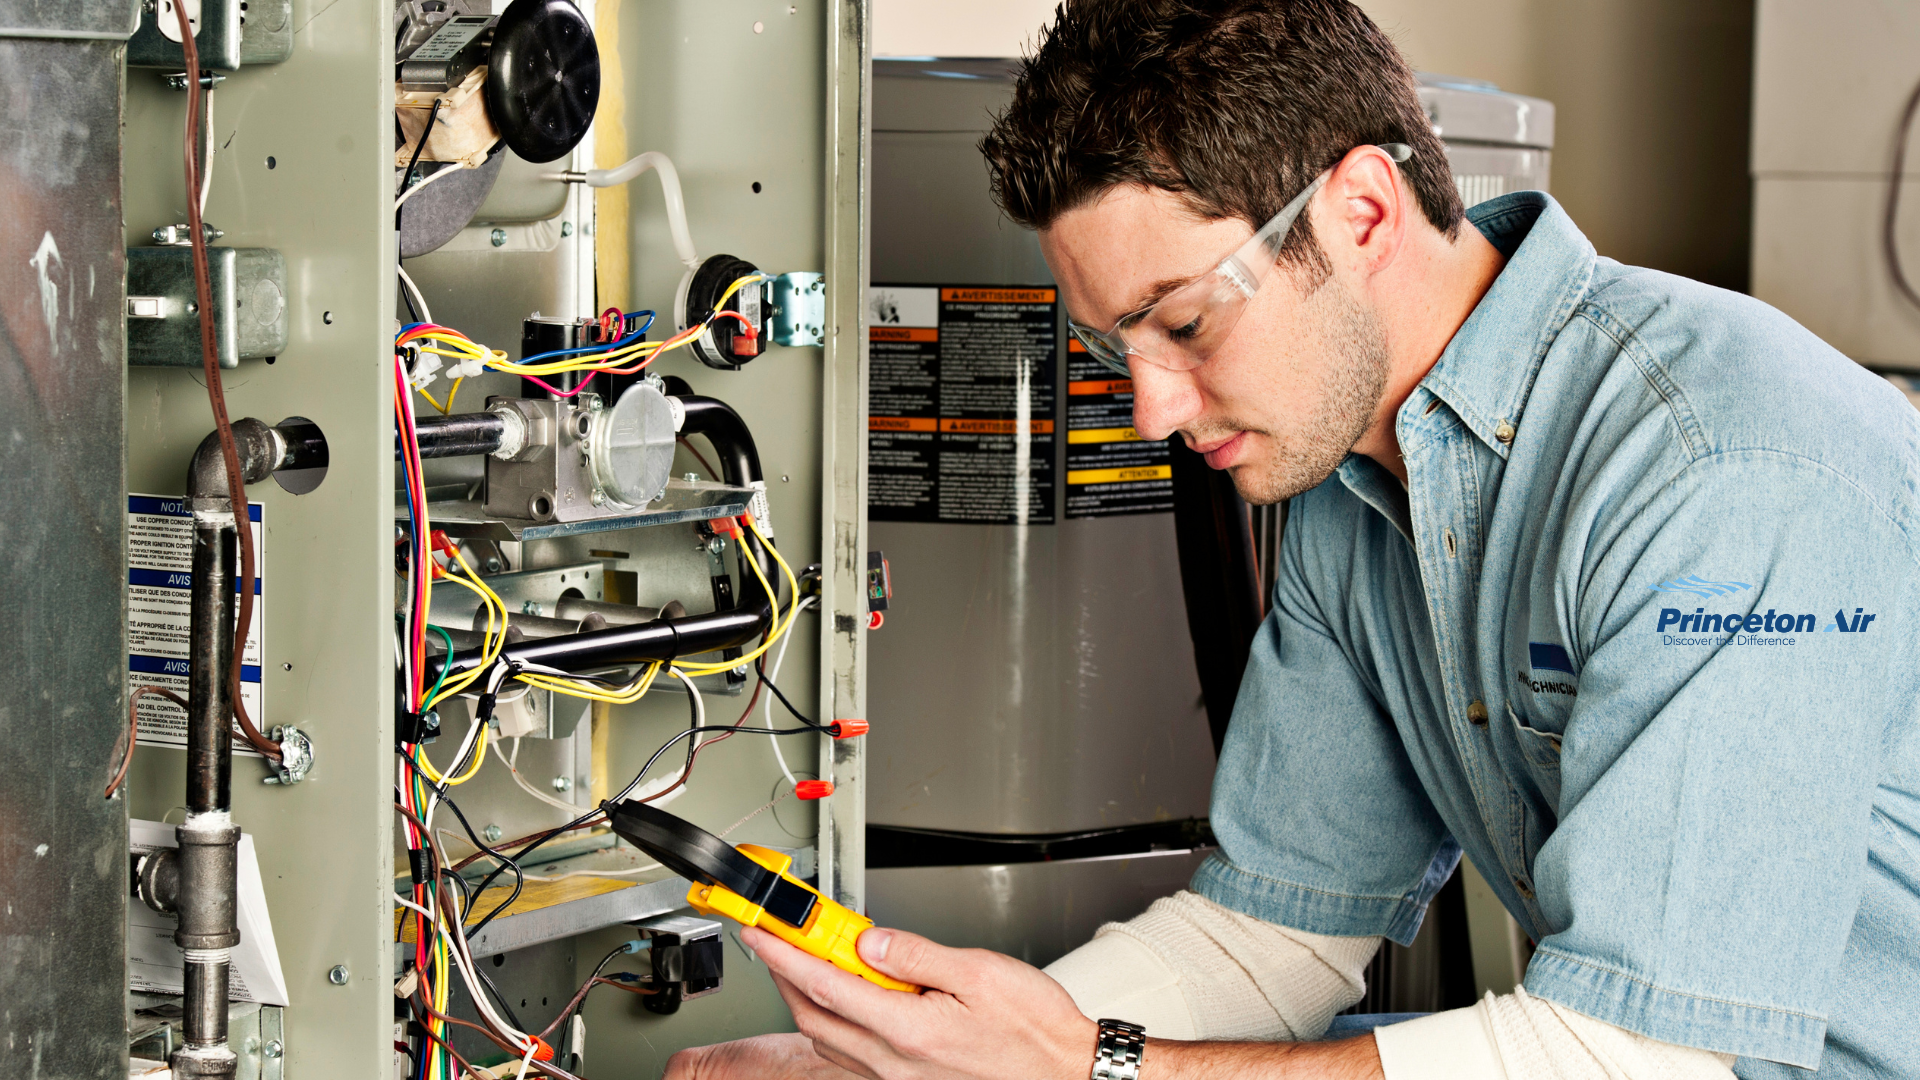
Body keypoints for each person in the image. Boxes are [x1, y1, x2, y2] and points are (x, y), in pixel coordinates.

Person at [667, 1, 1920, 1077]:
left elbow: (1636, 1059)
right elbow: (1274, 939)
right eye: (1114, 348)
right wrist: (918, 1057)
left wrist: (1090, 1065)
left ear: (1363, 213)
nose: (1152, 412)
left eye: (1186, 325)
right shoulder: (1353, 482)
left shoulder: (1720, 471)